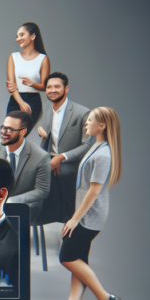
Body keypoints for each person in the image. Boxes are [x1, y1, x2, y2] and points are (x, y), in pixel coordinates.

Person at [50, 107, 124, 300]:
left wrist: (74, 219)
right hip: (86, 213)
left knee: (67, 257)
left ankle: (104, 297)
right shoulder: (96, 147)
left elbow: (93, 191)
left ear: (102, 126)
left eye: (90, 120)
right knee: (79, 258)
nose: (86, 124)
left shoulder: (102, 154)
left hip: (89, 217)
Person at [34, 72, 95, 223]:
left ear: (66, 89)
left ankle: (69, 218)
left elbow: (86, 145)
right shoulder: (48, 107)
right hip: (48, 156)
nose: (52, 90)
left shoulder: (83, 112)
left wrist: (61, 157)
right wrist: (40, 128)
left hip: (71, 161)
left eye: (57, 87)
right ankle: (37, 218)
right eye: (49, 87)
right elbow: (47, 127)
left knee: (63, 174)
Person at [0, 111, 50, 222]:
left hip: (23, 204)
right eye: (3, 127)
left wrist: (10, 201)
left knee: (6, 219)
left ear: (23, 132)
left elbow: (41, 191)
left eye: (9, 129)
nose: (4, 132)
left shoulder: (41, 156)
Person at [5, 23, 49, 126]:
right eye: (17, 36)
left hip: (33, 102)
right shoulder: (13, 57)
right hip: (16, 100)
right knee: (10, 132)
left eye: (21, 35)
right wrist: (21, 103)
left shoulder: (43, 59)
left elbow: (44, 86)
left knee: (21, 133)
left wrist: (32, 84)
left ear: (33, 36)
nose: (18, 38)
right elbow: (11, 86)